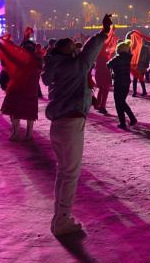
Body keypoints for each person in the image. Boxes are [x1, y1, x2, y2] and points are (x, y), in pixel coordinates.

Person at [42, 14, 112, 236]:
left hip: (59, 125)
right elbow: (89, 53)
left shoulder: (57, 65)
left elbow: (83, 56)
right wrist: (103, 32)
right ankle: (62, 220)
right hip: (71, 123)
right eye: (72, 46)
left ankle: (59, 217)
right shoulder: (73, 66)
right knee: (70, 173)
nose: (76, 47)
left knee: (64, 172)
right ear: (65, 51)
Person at [0, 38, 42, 141]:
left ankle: (16, 133)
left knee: (14, 111)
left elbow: (6, 52)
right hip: (31, 90)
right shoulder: (39, 60)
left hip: (17, 89)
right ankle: (29, 134)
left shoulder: (20, 60)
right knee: (30, 112)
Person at [107, 40, 137, 129]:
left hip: (119, 82)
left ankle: (125, 121)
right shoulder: (128, 57)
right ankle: (129, 119)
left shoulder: (117, 59)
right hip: (126, 82)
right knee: (122, 102)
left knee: (119, 103)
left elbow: (108, 65)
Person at [94, 44, 112, 114]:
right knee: (105, 92)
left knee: (101, 90)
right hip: (105, 75)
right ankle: (102, 106)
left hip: (98, 74)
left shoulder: (97, 56)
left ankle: (97, 104)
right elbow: (107, 68)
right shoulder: (105, 58)